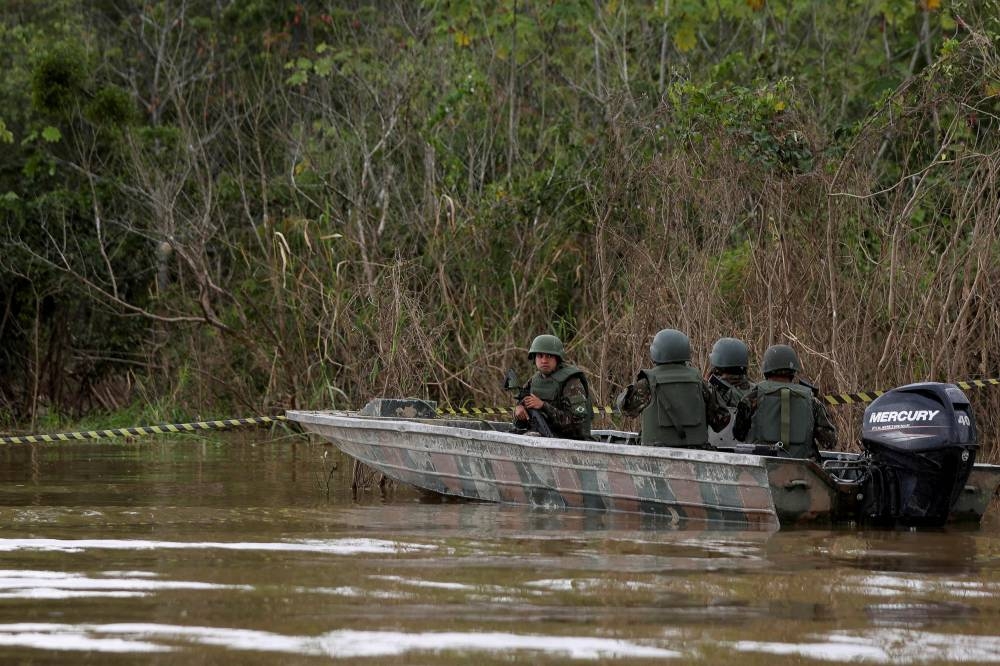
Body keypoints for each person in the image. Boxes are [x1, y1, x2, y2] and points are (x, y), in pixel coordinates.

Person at [616, 329, 730, 448]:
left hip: (655, 455)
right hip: (696, 454)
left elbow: (625, 409)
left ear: (656, 352)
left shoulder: (647, 384)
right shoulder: (700, 382)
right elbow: (721, 420)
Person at [732, 343, 837, 460]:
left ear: (766, 369)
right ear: (793, 371)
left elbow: (738, 434)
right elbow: (830, 441)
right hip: (803, 471)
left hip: (760, 471)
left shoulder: (753, 396)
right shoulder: (812, 400)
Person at [513, 334, 592, 440]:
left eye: (549, 356)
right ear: (534, 358)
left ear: (558, 358)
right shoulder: (535, 380)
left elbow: (577, 423)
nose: (544, 360)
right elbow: (520, 403)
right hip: (540, 437)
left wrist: (543, 406)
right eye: (540, 356)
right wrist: (519, 410)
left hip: (570, 441)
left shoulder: (571, 382)